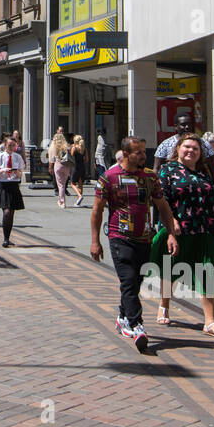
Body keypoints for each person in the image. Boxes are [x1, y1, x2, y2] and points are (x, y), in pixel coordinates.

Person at [90, 136, 175, 353]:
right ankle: (137, 325)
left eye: (144, 152)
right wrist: (95, 241)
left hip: (144, 237)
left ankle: (122, 316)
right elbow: (97, 211)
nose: (143, 156)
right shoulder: (109, 177)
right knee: (128, 280)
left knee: (136, 282)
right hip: (120, 237)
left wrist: (171, 233)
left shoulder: (150, 177)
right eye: (138, 152)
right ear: (126, 154)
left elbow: (163, 206)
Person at [150, 134, 214, 337]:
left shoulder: (205, 172)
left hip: (207, 229)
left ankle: (210, 321)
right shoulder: (167, 171)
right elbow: (162, 200)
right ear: (178, 149)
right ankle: (164, 304)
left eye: (195, 148)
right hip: (179, 229)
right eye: (186, 147)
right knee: (172, 269)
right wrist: (172, 224)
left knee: (209, 272)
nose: (191, 151)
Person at [0, 137, 26, 247]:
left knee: (11, 213)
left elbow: (21, 174)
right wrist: (2, 170)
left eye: (13, 145)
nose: (11, 147)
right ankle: (5, 239)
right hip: (3, 185)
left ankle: (7, 237)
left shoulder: (18, 157)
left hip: (14, 185)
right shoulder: (0, 156)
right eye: (9, 145)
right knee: (6, 212)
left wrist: (16, 172)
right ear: (5, 145)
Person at [47, 131, 73, 209]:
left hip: (58, 165)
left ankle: (62, 202)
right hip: (67, 166)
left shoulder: (54, 146)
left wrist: (50, 167)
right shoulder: (67, 146)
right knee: (64, 184)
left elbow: (51, 158)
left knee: (60, 185)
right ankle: (62, 200)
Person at [68, 135, 89, 206]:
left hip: (76, 167)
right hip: (82, 167)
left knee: (72, 183)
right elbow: (86, 160)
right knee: (80, 184)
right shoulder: (84, 149)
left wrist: (71, 147)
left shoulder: (74, 148)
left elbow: (71, 155)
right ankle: (78, 201)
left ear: (75, 141)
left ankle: (79, 196)